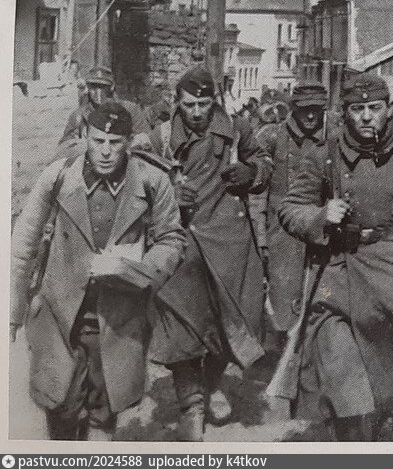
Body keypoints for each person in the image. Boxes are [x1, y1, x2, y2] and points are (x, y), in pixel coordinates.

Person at [277, 73, 393, 441]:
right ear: (343, 112)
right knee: (339, 367)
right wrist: (319, 216)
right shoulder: (325, 154)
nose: (365, 117)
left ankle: (388, 430)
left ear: (389, 110)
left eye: (374, 108)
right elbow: (291, 207)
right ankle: (350, 435)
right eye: (356, 109)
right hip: (339, 271)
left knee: (392, 374)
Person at [10, 102, 185, 440]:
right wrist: (12, 313)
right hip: (60, 313)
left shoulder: (152, 181)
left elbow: (172, 239)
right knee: (60, 404)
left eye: (115, 142)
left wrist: (136, 270)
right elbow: (23, 243)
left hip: (118, 316)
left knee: (105, 408)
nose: (105, 151)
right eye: (97, 140)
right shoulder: (60, 176)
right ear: (85, 137)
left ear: (129, 142)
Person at [148, 65, 273, 441]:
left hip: (229, 240)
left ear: (215, 100)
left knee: (230, 318)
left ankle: (213, 382)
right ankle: (191, 404)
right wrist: (167, 192)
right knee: (180, 321)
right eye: (189, 105)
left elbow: (265, 162)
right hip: (180, 241)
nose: (197, 112)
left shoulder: (237, 128)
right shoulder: (161, 136)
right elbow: (139, 179)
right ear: (177, 102)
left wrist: (251, 172)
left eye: (204, 104)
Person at [256, 82, 335, 337]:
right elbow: (258, 194)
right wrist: (261, 238)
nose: (310, 116)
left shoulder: (334, 138)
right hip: (282, 235)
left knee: (323, 298)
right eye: (304, 109)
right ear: (293, 108)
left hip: (323, 231)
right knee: (283, 300)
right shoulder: (272, 137)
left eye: (316, 109)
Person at [60, 66, 152, 153]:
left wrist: (131, 144)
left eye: (102, 87)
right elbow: (63, 147)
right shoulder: (79, 115)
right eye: (93, 86)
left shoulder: (130, 110)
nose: (98, 92)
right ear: (88, 88)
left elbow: (148, 141)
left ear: (111, 87)